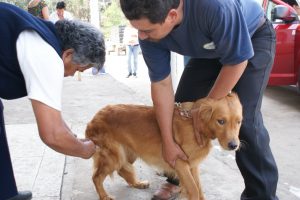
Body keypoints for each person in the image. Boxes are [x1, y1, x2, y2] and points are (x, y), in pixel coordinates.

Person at [120, 0, 279, 200]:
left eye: (148, 31)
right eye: (138, 30)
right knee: (183, 113)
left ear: (172, 16)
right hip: (209, 50)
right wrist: (168, 142)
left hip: (251, 38)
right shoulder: (147, 34)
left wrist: (204, 109)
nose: (141, 36)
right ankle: (178, 176)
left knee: (245, 120)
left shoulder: (215, 7)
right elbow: (161, 86)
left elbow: (236, 61)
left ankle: (261, 196)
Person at [0, 2, 105, 200]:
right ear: (69, 54)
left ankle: (4, 192)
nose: (73, 75)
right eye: (77, 69)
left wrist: (72, 137)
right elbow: (52, 135)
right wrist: (83, 150)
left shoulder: (44, 35)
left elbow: (54, 118)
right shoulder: (46, 55)